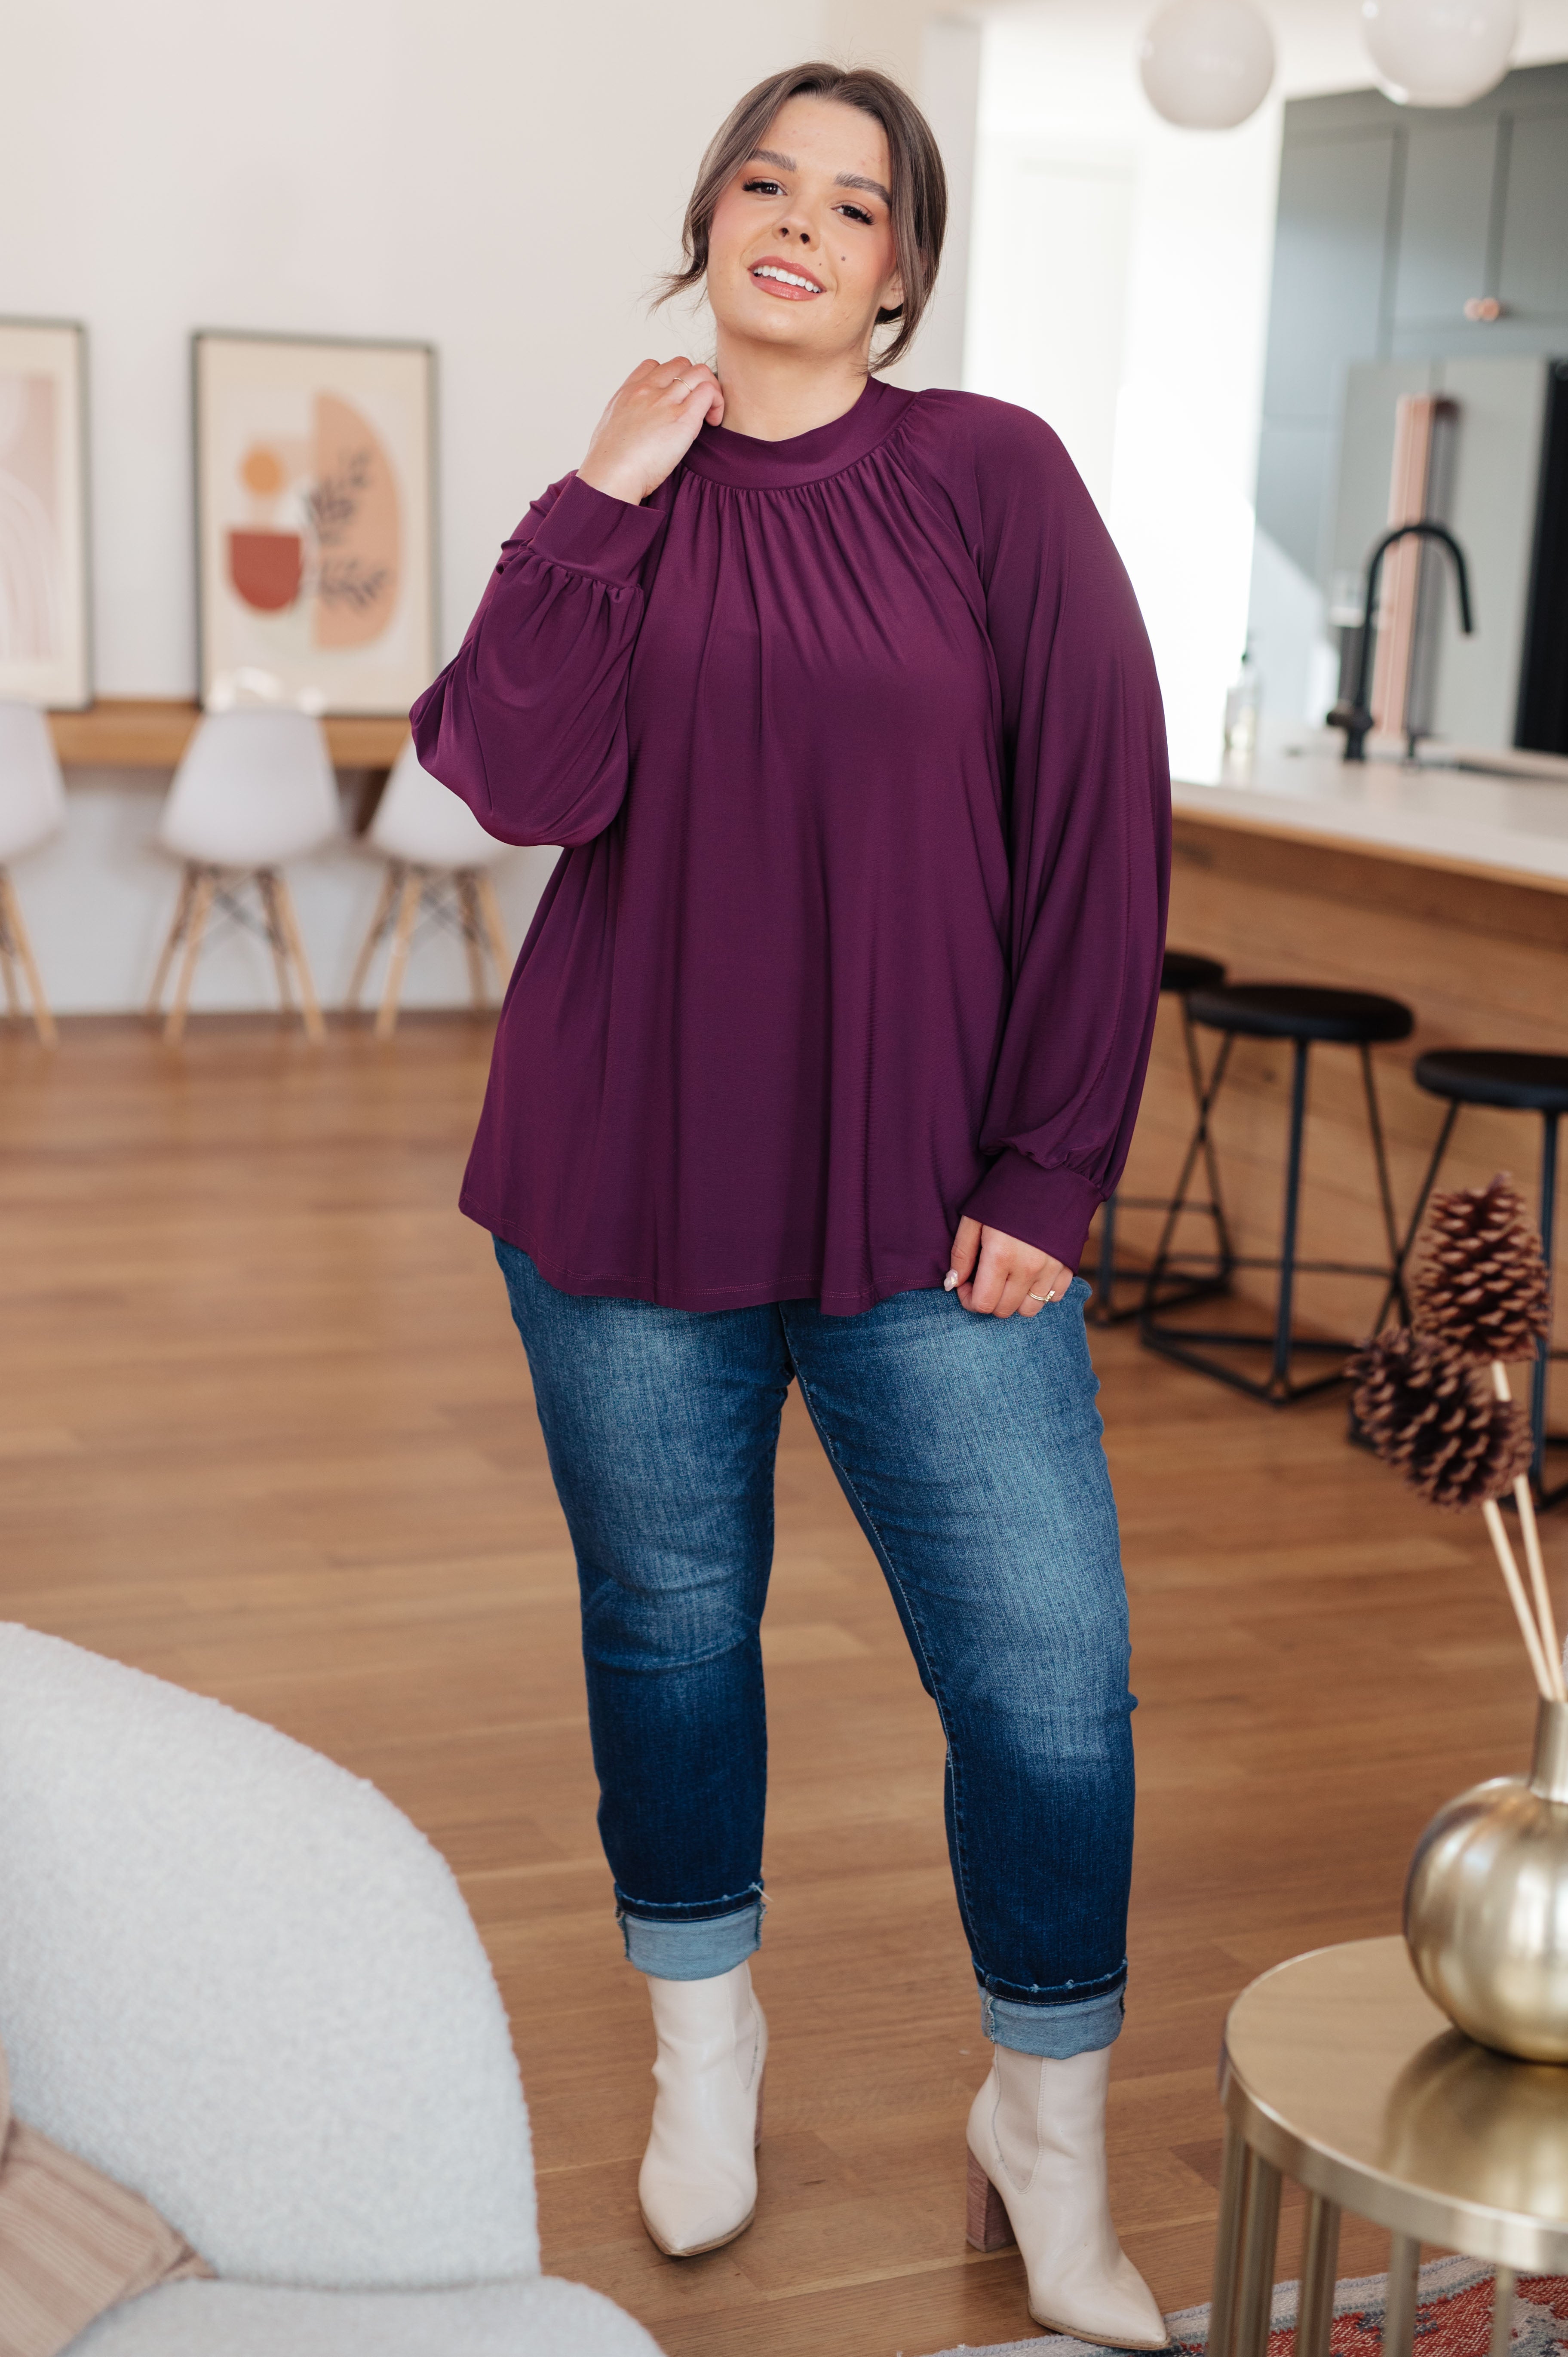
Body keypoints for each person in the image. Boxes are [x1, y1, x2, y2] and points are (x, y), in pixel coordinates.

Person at [412, 59, 1170, 2346]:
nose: (803, 225)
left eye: (854, 204)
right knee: (670, 1633)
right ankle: (703, 2059)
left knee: (1051, 1689)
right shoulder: (622, 497)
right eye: (769, 183)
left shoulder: (990, 478)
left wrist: (1053, 1154)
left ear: (901, 272)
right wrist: (601, 496)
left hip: (944, 1209)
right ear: (713, 218)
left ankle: (1046, 2128)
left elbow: (1101, 815)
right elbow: (511, 779)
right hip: (623, 1188)